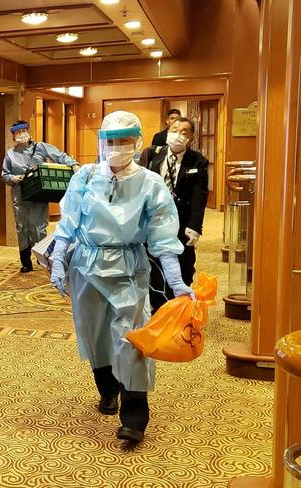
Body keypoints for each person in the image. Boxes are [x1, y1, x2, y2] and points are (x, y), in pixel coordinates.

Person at [49, 111, 194, 443]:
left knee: (131, 338)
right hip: (85, 264)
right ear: (101, 143)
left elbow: (163, 238)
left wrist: (176, 283)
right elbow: (67, 223)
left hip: (128, 267)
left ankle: (135, 413)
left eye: (124, 142)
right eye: (110, 142)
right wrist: (58, 261)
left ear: (138, 143)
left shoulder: (150, 183)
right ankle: (107, 389)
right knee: (94, 334)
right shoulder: (84, 177)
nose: (116, 148)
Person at [142, 117, 209, 312]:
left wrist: (195, 226)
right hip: (153, 220)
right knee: (153, 264)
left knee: (183, 264)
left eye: (184, 132)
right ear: (167, 131)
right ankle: (158, 308)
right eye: (174, 130)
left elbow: (200, 196)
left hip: (182, 222)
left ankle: (179, 306)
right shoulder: (152, 154)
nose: (178, 135)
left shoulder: (198, 161)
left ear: (191, 137)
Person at [1, 120, 81, 272]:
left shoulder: (40, 147)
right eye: (18, 132)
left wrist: (74, 164)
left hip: (38, 192)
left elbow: (60, 156)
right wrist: (12, 178)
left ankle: (42, 257)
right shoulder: (10, 155)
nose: (22, 134)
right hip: (19, 194)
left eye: (24, 130)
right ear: (13, 135)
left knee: (38, 226)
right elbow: (4, 174)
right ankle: (25, 262)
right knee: (22, 227)